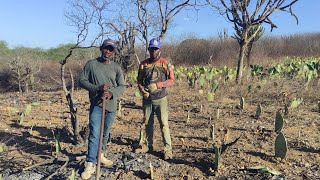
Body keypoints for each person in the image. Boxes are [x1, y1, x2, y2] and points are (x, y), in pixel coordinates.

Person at [79, 39, 126, 179]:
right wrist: (97, 89)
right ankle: (90, 163)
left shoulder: (116, 67)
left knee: (105, 132)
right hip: (97, 104)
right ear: (101, 48)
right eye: (106, 48)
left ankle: (101, 154)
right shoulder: (91, 65)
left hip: (111, 105)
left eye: (111, 49)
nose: (108, 51)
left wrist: (111, 93)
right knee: (94, 132)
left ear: (113, 52)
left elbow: (122, 86)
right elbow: (82, 81)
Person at [135, 37, 174, 160]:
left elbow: (172, 80)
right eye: (152, 49)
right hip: (147, 99)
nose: (154, 51)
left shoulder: (165, 63)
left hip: (161, 98)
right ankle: (148, 146)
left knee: (164, 124)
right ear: (148, 50)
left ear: (159, 50)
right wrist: (142, 91)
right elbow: (139, 80)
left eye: (156, 49)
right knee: (147, 123)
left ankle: (168, 150)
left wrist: (158, 85)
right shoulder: (143, 64)